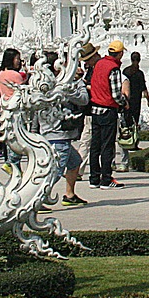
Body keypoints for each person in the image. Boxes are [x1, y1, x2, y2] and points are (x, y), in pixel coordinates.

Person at [32, 67, 90, 206]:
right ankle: (37, 200)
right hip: (58, 134)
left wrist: (35, 130)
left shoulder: (41, 88)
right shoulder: (62, 87)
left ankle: (69, 195)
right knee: (55, 172)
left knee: (75, 163)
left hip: (50, 133)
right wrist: (80, 82)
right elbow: (83, 99)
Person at [88, 39, 128, 189]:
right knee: (107, 146)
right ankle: (106, 178)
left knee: (95, 145)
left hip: (95, 109)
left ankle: (93, 178)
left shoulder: (99, 64)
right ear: (121, 53)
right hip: (107, 110)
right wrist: (124, 102)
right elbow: (116, 93)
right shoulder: (113, 68)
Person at [119, 51, 149, 172]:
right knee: (134, 124)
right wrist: (148, 100)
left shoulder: (126, 71)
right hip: (135, 102)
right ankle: (133, 143)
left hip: (127, 102)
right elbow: (144, 89)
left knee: (126, 125)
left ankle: (129, 143)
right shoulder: (139, 73)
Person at [0, 47, 28, 172]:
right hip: (16, 109)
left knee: (11, 138)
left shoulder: (1, 74)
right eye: (17, 59)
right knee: (19, 138)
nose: (19, 62)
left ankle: (13, 165)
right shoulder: (14, 75)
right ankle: (11, 163)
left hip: (5, 108)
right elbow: (23, 90)